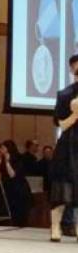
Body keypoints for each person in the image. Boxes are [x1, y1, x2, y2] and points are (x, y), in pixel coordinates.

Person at [49, 53, 78, 242]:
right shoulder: (65, 94)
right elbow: (61, 125)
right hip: (69, 146)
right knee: (62, 190)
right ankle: (55, 227)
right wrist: (76, 113)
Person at [0, 142, 32, 227]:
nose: (1, 150)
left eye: (3, 148)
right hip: (5, 188)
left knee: (18, 214)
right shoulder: (0, 159)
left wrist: (7, 162)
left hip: (18, 188)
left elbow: (12, 175)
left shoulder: (19, 159)